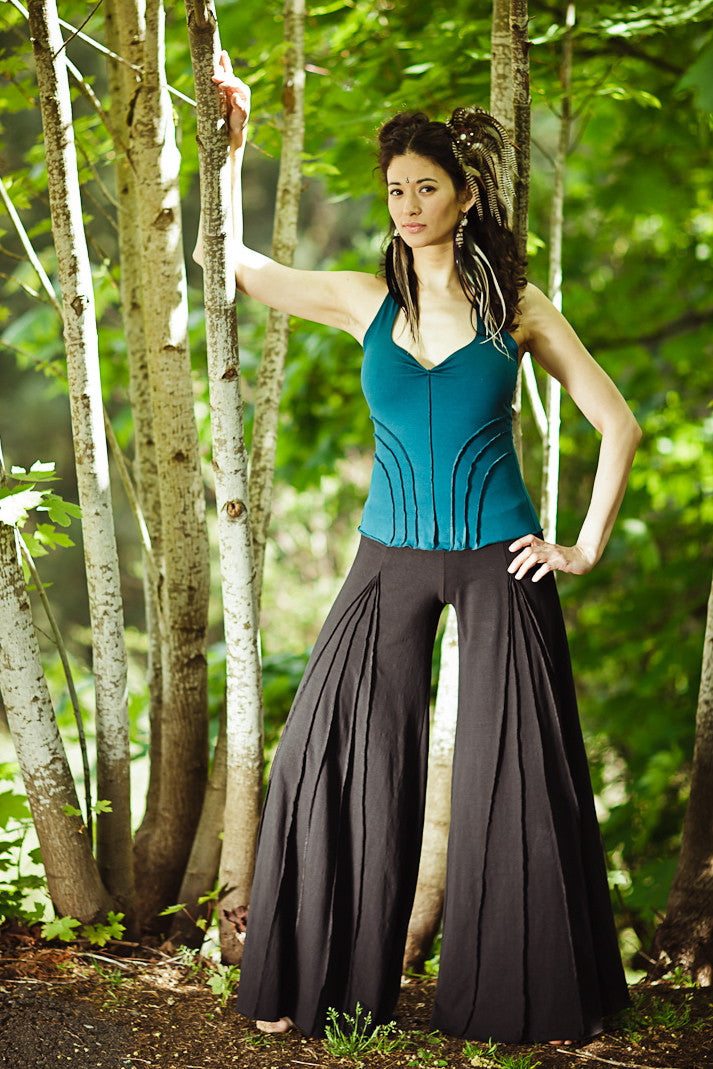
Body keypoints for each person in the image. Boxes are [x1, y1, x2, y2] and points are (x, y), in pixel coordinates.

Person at [195, 51, 640, 1046]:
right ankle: (322, 987)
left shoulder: (516, 306)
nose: (406, 205)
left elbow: (617, 423)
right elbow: (234, 268)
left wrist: (581, 547)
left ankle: (524, 1006)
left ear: (464, 195)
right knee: (329, 751)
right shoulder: (366, 300)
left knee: (516, 774)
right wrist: (228, 152)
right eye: (394, 189)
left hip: (500, 558)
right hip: (386, 559)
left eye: (425, 188)